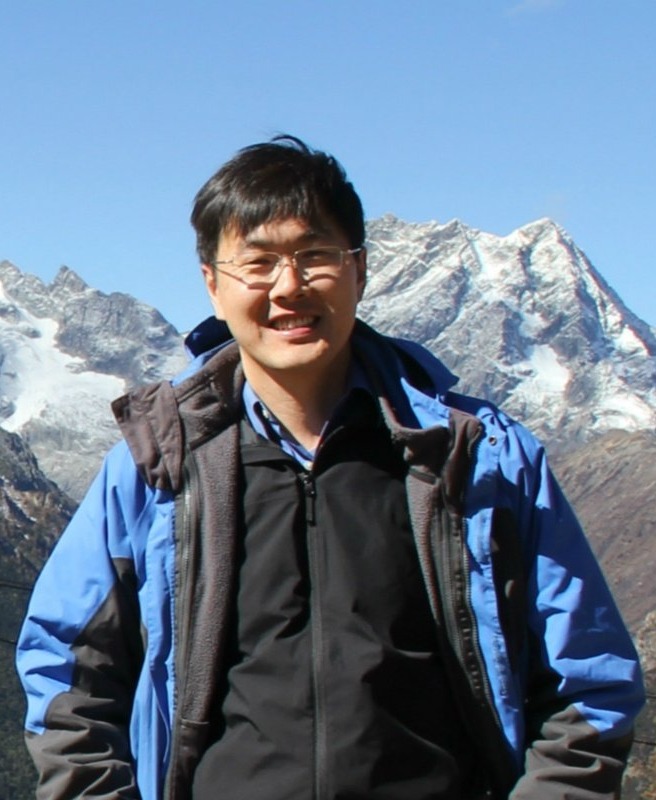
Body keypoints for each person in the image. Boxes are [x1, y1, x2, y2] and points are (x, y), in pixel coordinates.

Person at [17, 136, 644, 800]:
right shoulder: (156, 465)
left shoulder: (481, 458)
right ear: (213, 285)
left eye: (314, 256)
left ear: (360, 269)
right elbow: (67, 670)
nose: (288, 287)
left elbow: (589, 685)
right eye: (257, 263)